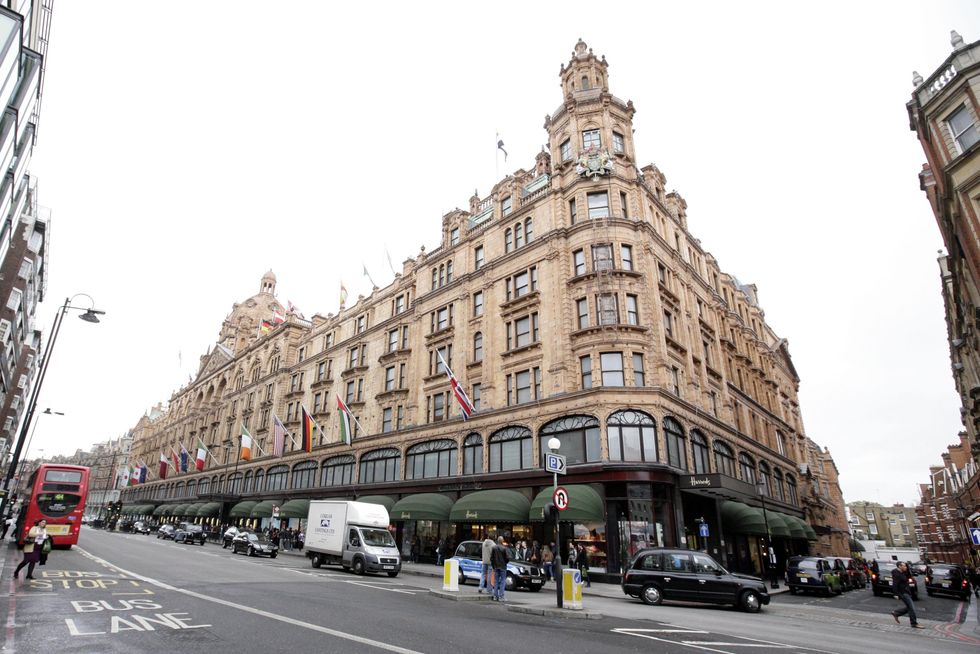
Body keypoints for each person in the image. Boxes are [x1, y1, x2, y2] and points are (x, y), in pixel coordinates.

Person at [891, 562, 922, 629]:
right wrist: (895, 594)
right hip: (903, 593)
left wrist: (907, 567)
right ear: (899, 566)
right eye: (904, 566)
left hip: (906, 592)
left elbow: (909, 575)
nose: (906, 567)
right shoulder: (896, 574)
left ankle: (896, 613)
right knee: (912, 608)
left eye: (905, 566)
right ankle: (914, 623)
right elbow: (895, 584)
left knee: (909, 607)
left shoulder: (903, 572)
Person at [490, 536, 510, 602]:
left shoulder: (494, 548)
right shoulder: (504, 548)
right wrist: (505, 563)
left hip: (496, 566)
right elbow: (507, 558)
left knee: (496, 581)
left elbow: (491, 558)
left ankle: (495, 596)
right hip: (503, 566)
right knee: (503, 581)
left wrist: (493, 565)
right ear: (502, 541)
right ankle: (501, 596)